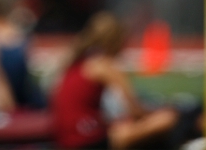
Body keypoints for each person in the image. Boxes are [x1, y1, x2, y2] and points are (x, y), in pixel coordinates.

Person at [50, 11, 199, 149]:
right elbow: (134, 110)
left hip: (65, 138)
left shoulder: (76, 63)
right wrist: (158, 112)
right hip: (88, 139)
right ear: (117, 40)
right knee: (167, 119)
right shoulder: (104, 65)